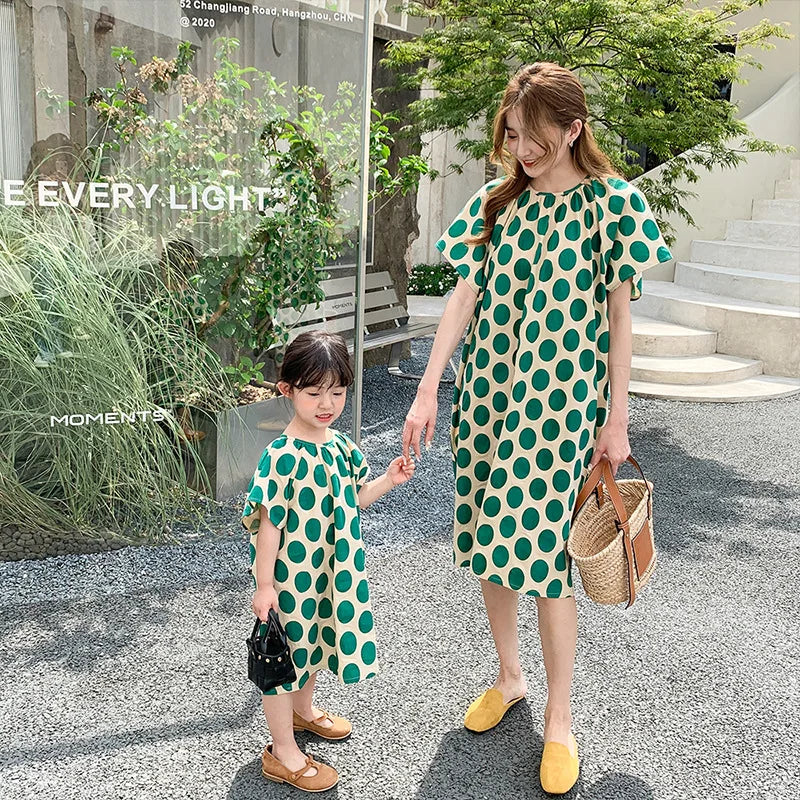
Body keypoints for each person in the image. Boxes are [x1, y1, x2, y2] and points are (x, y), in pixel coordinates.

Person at [402, 62, 672, 795]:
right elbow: (462, 296)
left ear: (575, 128)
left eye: (538, 138)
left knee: (547, 560)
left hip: (561, 408)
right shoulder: (497, 202)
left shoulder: (611, 204)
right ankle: (509, 676)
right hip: (489, 395)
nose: (523, 151)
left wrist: (617, 418)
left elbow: (620, 320)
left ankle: (560, 717)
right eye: (516, 136)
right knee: (493, 544)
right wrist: (427, 391)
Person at [242, 330, 415, 792]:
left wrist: (388, 481)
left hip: (330, 574)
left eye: (337, 392)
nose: (327, 403)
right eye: (314, 392)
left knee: (315, 644)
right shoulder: (281, 457)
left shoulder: (339, 447)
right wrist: (265, 586)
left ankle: (304, 712)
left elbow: (353, 499)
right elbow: (269, 526)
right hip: (291, 579)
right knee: (283, 658)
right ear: (288, 390)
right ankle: (282, 751)